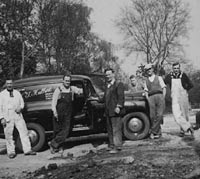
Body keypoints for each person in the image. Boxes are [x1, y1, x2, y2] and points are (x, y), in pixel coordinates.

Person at [0, 79, 36, 159]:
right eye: (8, 83)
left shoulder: (17, 93)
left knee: (24, 132)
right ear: (5, 84)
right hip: (7, 116)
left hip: (18, 115)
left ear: (13, 84)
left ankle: (27, 150)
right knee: (9, 135)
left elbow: (22, 103)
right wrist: (2, 118)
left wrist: (20, 108)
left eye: (11, 83)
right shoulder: (2, 94)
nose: (9, 85)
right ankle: (11, 152)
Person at [48, 72, 83, 154]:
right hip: (59, 112)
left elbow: (81, 91)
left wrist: (82, 91)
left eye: (69, 81)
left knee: (66, 131)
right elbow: (53, 102)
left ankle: (54, 144)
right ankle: (56, 146)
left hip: (68, 113)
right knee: (58, 130)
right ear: (63, 81)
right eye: (66, 80)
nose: (67, 82)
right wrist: (55, 113)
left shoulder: (72, 89)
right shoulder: (58, 89)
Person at [164, 62, 194, 137]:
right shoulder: (169, 76)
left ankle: (183, 130)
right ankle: (188, 127)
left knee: (184, 114)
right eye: (175, 68)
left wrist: (185, 89)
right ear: (172, 69)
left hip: (183, 95)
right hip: (174, 96)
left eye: (177, 68)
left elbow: (191, 85)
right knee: (176, 114)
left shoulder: (183, 75)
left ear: (179, 68)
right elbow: (163, 83)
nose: (176, 70)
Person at [99, 68, 125, 154]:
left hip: (115, 110)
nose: (108, 76)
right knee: (110, 129)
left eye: (109, 74)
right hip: (108, 111)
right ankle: (111, 145)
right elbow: (104, 98)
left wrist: (118, 106)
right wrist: (96, 99)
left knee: (116, 129)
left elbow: (121, 97)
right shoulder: (107, 85)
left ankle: (117, 146)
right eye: (106, 75)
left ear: (113, 74)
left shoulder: (118, 84)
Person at [144, 64, 166, 139]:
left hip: (159, 96)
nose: (149, 70)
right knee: (152, 116)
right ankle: (158, 132)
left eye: (150, 69)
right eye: (147, 70)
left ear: (153, 69)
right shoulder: (146, 80)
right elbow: (146, 91)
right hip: (151, 97)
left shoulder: (159, 78)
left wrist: (163, 97)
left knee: (159, 115)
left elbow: (164, 88)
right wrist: (148, 99)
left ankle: (153, 131)